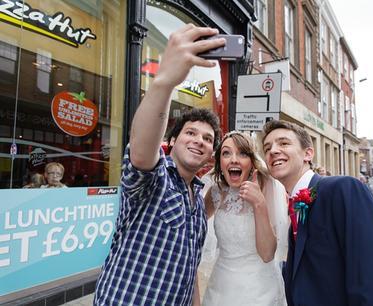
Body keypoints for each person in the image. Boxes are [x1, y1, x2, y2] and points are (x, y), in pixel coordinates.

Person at [94, 25, 225, 305]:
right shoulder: (154, 179)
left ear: (210, 155)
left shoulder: (199, 203)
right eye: (190, 133)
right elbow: (141, 152)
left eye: (207, 138)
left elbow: (188, 271)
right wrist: (164, 81)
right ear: (172, 141)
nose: (199, 141)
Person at [262, 120, 373, 306]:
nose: (273, 150)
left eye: (283, 143)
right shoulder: (295, 205)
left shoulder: (344, 188)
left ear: (308, 153)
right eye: (267, 148)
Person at [201, 131, 288, 306]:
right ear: (220, 162)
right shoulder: (216, 191)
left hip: (258, 288)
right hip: (221, 286)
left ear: (252, 161)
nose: (234, 159)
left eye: (242, 153)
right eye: (226, 153)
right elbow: (194, 225)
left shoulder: (267, 185)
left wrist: (259, 204)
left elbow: (267, 254)